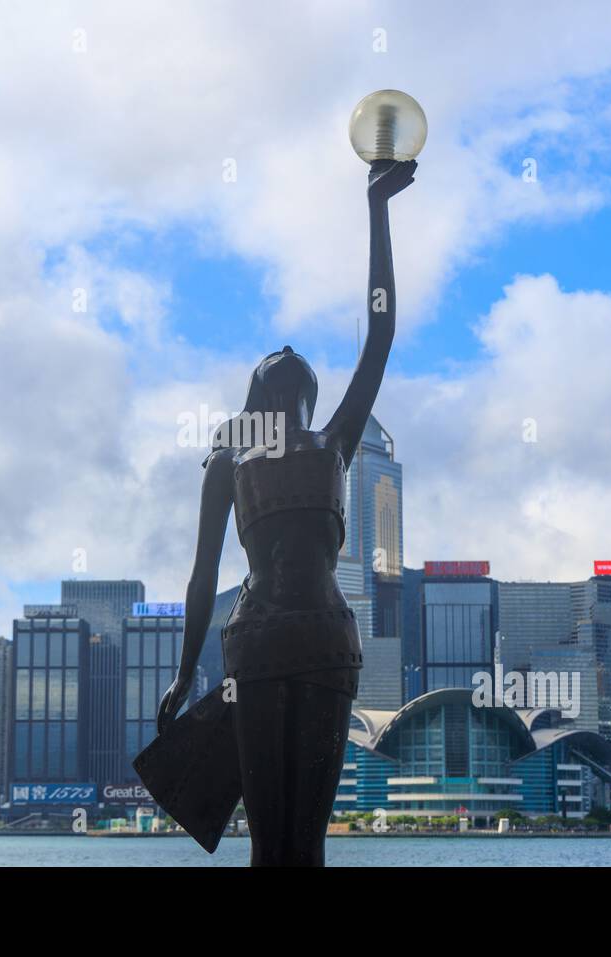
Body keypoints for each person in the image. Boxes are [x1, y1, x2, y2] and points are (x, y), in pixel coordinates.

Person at [156, 158, 417, 866]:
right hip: (281, 642)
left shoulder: (328, 444)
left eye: (298, 362)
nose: (291, 353)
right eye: (279, 359)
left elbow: (380, 333)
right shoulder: (230, 462)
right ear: (259, 391)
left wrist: (377, 208)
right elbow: (200, 577)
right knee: (279, 839)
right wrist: (186, 673)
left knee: (299, 841)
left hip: (311, 644)